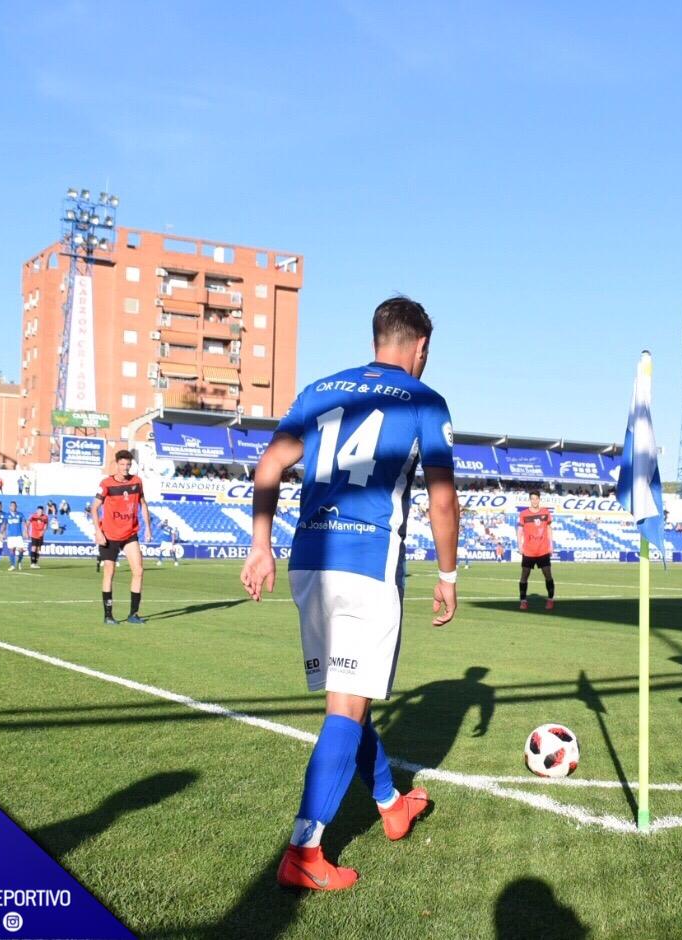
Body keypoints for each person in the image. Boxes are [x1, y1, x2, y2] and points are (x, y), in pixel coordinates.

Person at [239, 296, 456, 892]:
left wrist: (261, 545)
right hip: (366, 562)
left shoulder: (319, 390)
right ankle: (304, 851)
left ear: (375, 340)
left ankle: (391, 803)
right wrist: (448, 575)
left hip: (309, 558)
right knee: (347, 706)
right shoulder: (423, 399)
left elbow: (267, 467)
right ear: (419, 348)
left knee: (346, 696)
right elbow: (441, 497)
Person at [91, 450, 152, 624]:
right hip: (109, 535)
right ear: (116, 464)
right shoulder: (106, 484)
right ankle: (108, 615)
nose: (125, 468)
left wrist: (148, 527)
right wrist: (97, 531)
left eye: (128, 465)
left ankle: (133, 614)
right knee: (109, 573)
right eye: (122, 465)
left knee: (138, 571)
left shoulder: (137, 482)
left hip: (130, 534)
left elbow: (143, 504)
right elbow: (94, 507)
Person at [517, 490, 556, 611]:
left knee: (547, 574)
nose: (534, 501)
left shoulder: (545, 512)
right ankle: (523, 601)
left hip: (543, 549)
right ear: (530, 499)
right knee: (524, 575)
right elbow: (519, 530)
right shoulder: (523, 514)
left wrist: (551, 545)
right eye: (532, 499)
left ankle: (550, 600)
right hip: (528, 550)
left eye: (536, 499)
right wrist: (519, 545)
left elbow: (549, 528)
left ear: (539, 499)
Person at [4, 500, 26, 571]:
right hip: (10, 536)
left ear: (16, 506)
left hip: (18, 535)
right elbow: (4, 525)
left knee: (21, 550)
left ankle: (19, 561)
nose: (13, 507)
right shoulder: (7, 515)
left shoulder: (20, 514)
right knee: (11, 550)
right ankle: (12, 565)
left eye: (14, 506)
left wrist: (26, 531)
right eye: (12, 506)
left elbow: (24, 523)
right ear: (10, 507)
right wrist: (2, 533)